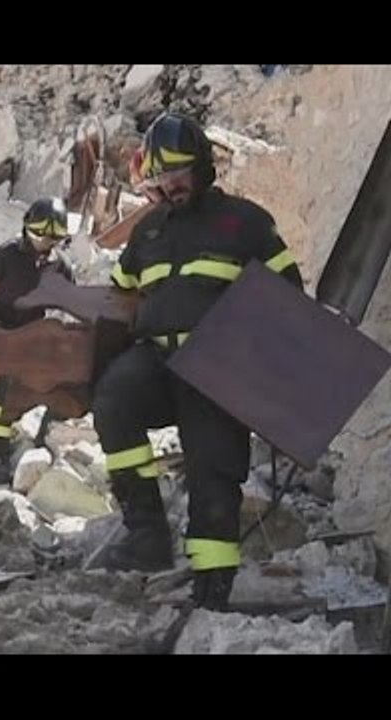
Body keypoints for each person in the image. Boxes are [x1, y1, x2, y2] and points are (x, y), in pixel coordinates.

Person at [92, 111, 303, 611]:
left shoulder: (246, 222)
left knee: (213, 468)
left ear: (204, 166)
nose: (172, 185)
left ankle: (214, 584)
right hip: (158, 361)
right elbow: (120, 299)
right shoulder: (146, 233)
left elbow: (287, 296)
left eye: (181, 172)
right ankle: (146, 536)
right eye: (162, 177)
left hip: (218, 368)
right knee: (114, 399)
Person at [0, 197, 74, 485]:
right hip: (1, 330)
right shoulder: (6, 255)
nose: (45, 242)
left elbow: (70, 304)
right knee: (8, 383)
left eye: (53, 238)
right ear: (27, 228)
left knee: (64, 381)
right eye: (40, 235)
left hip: (36, 333)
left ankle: (44, 439)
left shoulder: (61, 266)